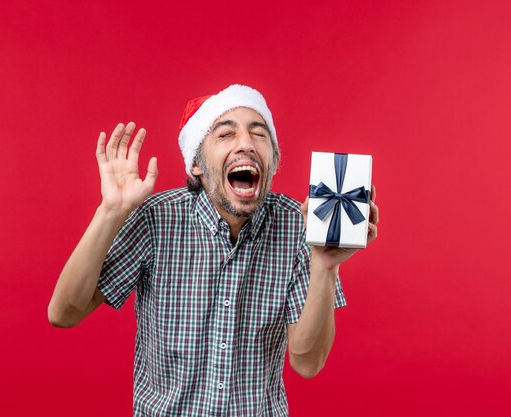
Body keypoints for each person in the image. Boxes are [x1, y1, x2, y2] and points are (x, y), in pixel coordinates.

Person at [48, 84, 379, 416]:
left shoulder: (300, 227)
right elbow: (64, 313)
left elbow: (307, 363)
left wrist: (324, 265)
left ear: (273, 165)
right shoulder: (155, 219)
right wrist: (111, 210)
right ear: (197, 165)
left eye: (259, 134)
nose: (246, 144)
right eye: (225, 135)